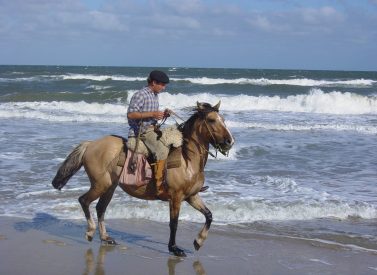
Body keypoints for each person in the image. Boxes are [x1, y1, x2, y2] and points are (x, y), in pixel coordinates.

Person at [127, 70, 171, 198]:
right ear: (154, 82)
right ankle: (159, 187)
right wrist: (152, 114)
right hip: (142, 131)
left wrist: (162, 114)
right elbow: (131, 114)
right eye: (162, 85)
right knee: (162, 149)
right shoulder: (140, 95)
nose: (164, 87)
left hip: (152, 128)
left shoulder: (154, 95)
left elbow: (152, 116)